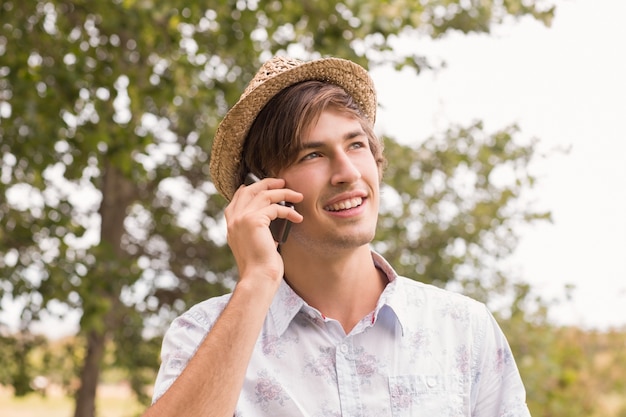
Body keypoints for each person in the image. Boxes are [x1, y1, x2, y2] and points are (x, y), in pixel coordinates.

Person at [143, 55, 531, 417]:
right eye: (312, 155)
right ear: (262, 191)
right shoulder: (200, 335)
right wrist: (258, 278)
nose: (348, 172)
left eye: (356, 145)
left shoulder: (464, 329)